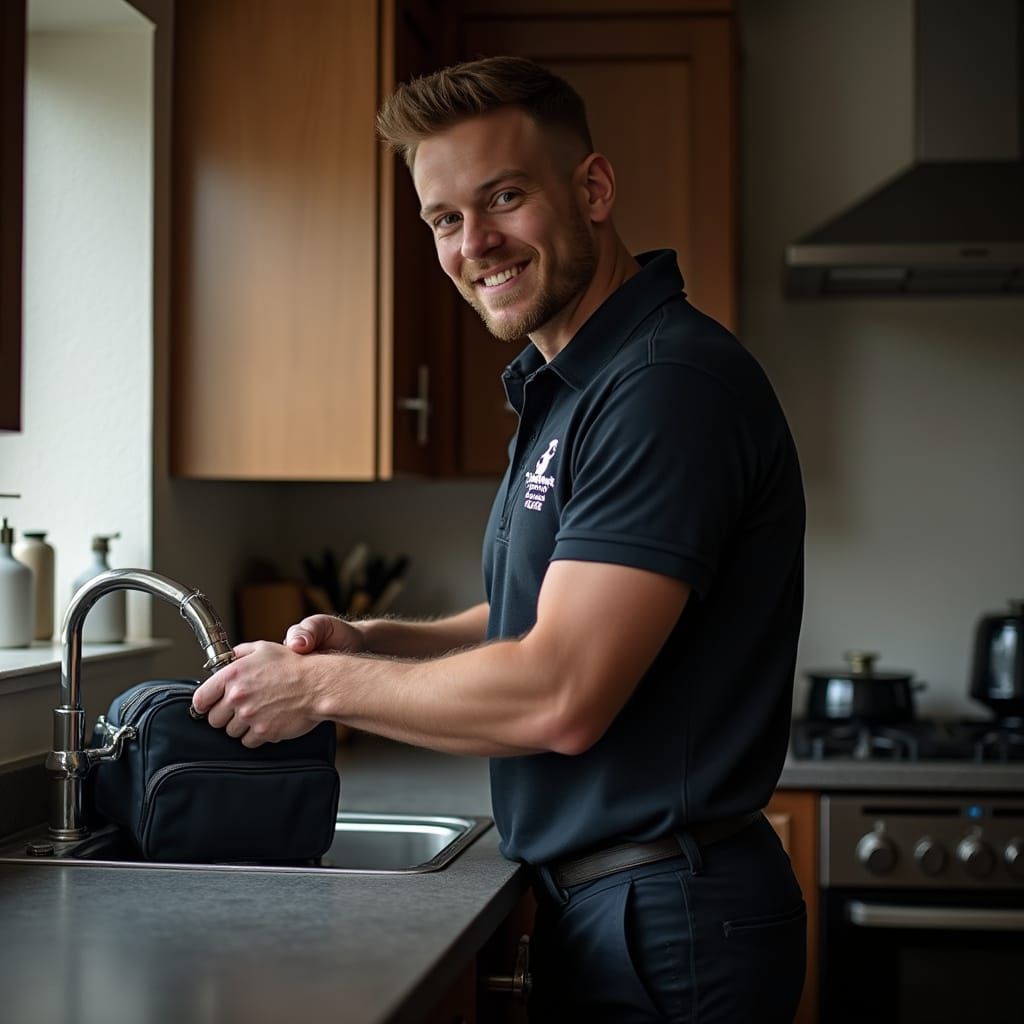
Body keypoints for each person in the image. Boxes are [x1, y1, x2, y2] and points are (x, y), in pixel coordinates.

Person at [192, 55, 807, 1022]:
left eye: (504, 197)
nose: (475, 242)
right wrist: (378, 643)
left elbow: (562, 690)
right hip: (621, 903)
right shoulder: (576, 387)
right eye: (444, 218)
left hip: (669, 920)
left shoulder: (663, 390)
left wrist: (317, 687)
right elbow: (542, 613)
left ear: (592, 189)